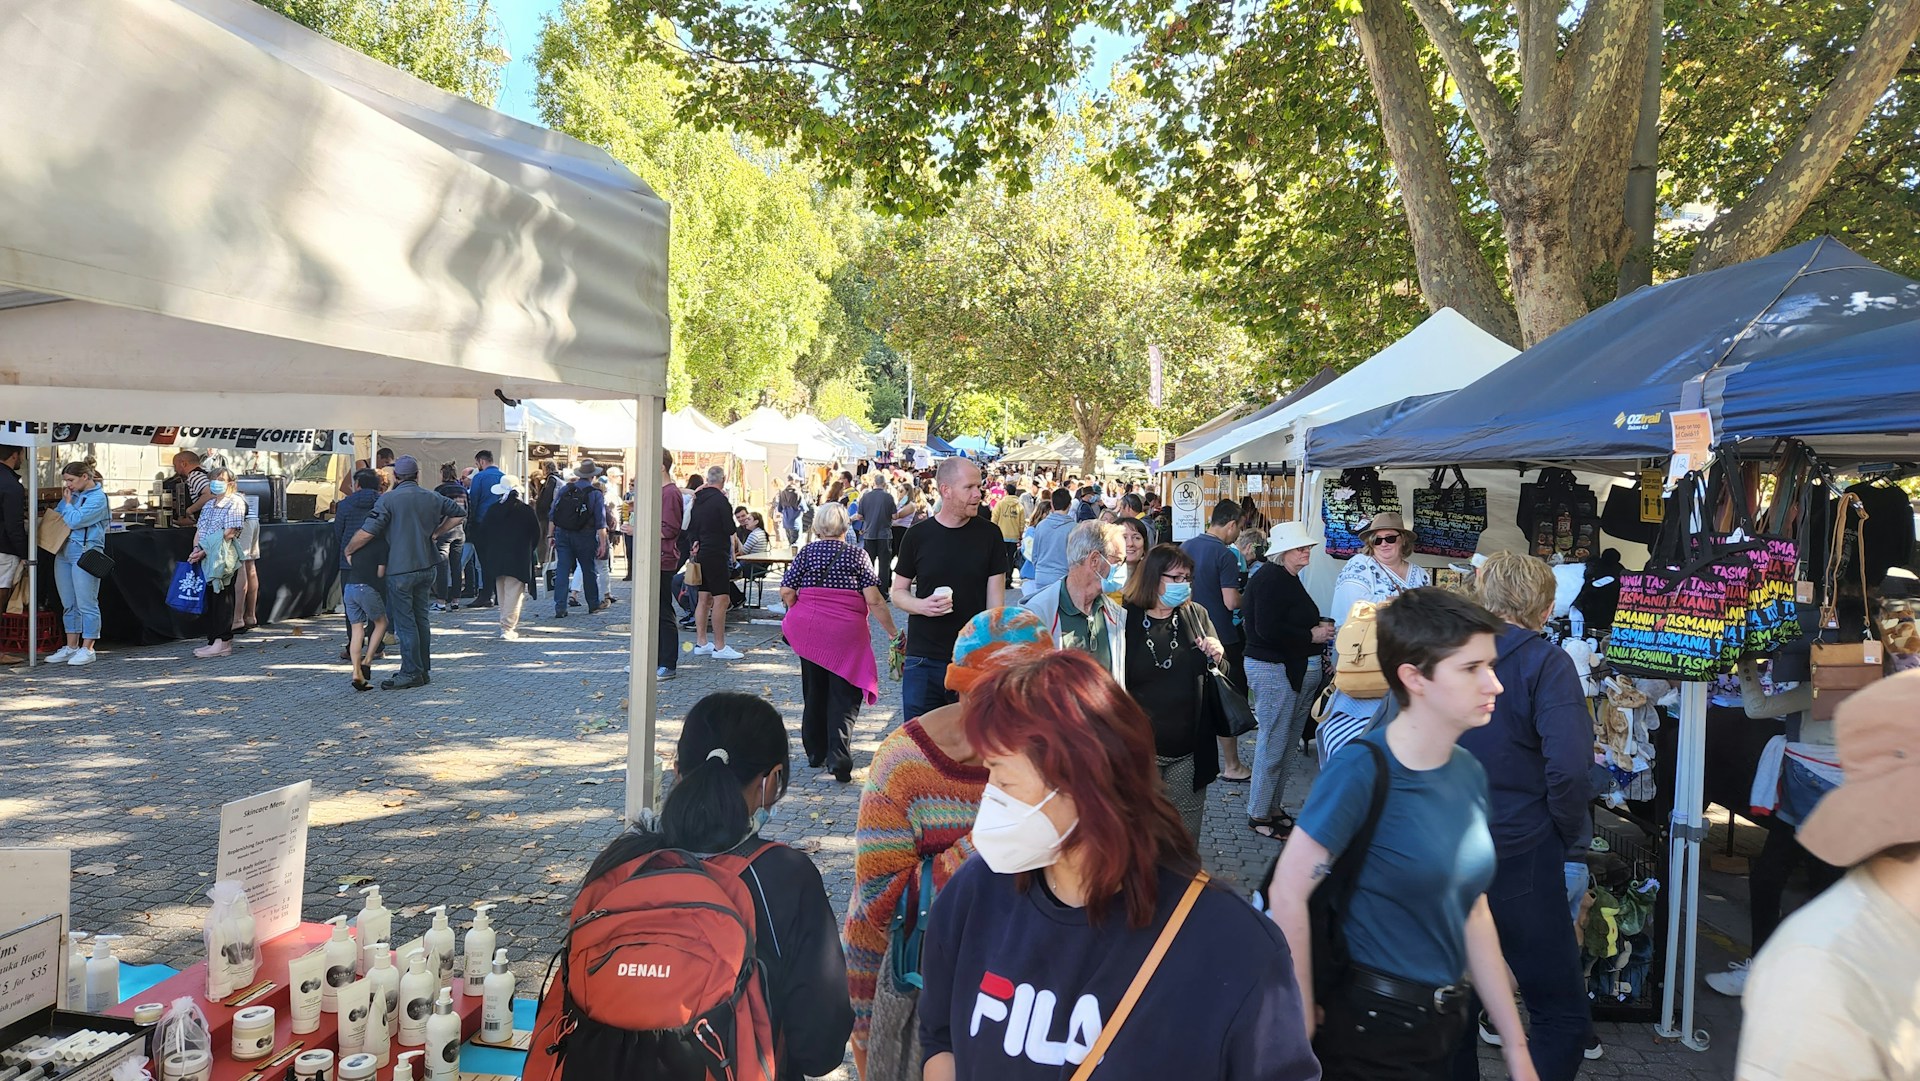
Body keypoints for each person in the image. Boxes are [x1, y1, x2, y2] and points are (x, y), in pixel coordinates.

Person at [918, 650, 1319, 1080]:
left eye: (1004, 778)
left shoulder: (1234, 948)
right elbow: (940, 1041)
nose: (988, 796)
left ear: (1085, 784)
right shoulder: (974, 894)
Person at [1266, 588, 1538, 1081]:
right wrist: (1300, 1013)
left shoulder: (1467, 772)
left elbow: (1471, 909)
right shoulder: (1362, 769)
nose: (1494, 684)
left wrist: (1517, 1049)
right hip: (1368, 1033)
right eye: (1471, 668)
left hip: (1442, 1030)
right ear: (1415, 678)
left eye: (1491, 666)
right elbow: (1288, 892)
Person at [570, 692, 854, 1078]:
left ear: (676, 771)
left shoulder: (619, 862)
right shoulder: (787, 876)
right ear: (771, 782)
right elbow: (820, 1049)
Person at [845, 608, 1054, 1081]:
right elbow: (883, 906)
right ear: (960, 690)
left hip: (1010, 991)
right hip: (905, 987)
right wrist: (989, 838)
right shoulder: (904, 765)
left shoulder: (1052, 759)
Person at [1452, 553, 1595, 1080]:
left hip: (1448, 849)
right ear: (1547, 606)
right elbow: (1571, 767)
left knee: (1455, 1003)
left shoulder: (1446, 654)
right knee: (1560, 1009)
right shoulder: (1546, 662)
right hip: (1519, 850)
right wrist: (1564, 831)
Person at [1737, 670, 1920, 1080]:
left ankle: (1764, 965)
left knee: (1777, 878)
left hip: (1804, 788)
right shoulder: (1879, 688)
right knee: (1825, 885)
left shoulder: (1821, 686)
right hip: (1842, 794)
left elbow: (1756, 708)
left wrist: (1746, 667)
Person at [779, 502, 900, 783]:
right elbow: (874, 599)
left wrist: (799, 606)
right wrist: (893, 632)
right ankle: (839, 758)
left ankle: (814, 752)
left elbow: (786, 589)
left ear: (818, 526)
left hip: (810, 631)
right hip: (846, 634)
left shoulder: (807, 552)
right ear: (847, 526)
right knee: (844, 696)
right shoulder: (857, 556)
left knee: (814, 689)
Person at [891, 457, 1009, 721]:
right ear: (946, 490)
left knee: (969, 748)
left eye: (979, 487)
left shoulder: (990, 535)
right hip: (924, 659)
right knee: (920, 746)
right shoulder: (917, 536)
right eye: (969, 487)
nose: (978, 494)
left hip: (971, 660)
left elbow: (996, 606)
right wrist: (922, 605)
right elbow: (897, 592)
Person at [1123, 544, 1227, 840]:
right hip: (1140, 752)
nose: (1184, 585)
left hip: (1189, 751)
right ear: (1154, 577)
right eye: (1177, 578)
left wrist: (1219, 656)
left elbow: (1222, 674)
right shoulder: (1124, 618)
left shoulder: (1196, 615)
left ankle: (1181, 888)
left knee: (1183, 838)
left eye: (1187, 578)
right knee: (1141, 838)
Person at [1242, 521, 1334, 839]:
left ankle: (1270, 807)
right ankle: (1258, 812)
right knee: (1274, 742)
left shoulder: (1283, 577)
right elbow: (1267, 630)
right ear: (1283, 551)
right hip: (1272, 668)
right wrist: (1312, 633)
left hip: (1284, 668)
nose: (1306, 551)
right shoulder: (1272, 578)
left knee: (1283, 743)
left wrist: (1313, 633)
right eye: (1300, 547)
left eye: (1307, 546)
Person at [344, 455, 465, 690]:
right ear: (417, 475)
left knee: (405, 622)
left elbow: (369, 531)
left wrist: (350, 548)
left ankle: (410, 672)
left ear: (395, 477)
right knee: (422, 619)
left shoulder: (389, 500)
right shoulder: (432, 496)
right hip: (427, 564)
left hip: (400, 568)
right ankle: (422, 669)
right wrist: (437, 532)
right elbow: (459, 513)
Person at [1320, 511, 1432, 763]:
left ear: (1403, 540)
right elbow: (1351, 614)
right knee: (1360, 737)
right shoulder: (1361, 566)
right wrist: (1398, 608)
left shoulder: (1421, 575)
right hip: (1369, 666)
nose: (1383, 545)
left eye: (1389, 538)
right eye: (1376, 540)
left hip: (1410, 665)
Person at [1183, 499, 1251, 783]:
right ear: (1232, 524)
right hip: (1221, 635)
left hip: (1190, 631)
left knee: (1196, 699)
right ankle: (1232, 764)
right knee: (1227, 698)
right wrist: (1252, 599)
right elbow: (1231, 600)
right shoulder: (1226, 555)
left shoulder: (1186, 546)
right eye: (1240, 527)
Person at [1021, 520, 1127, 687]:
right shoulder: (1037, 614)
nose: (1122, 568)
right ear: (1094, 560)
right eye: (1118, 561)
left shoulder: (1115, 614)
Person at [45, 460, 108, 667]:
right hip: (64, 551)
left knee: (86, 602)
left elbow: (73, 520)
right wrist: (69, 507)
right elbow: (61, 515)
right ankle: (71, 646)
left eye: (70, 480)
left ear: (85, 477)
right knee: (68, 602)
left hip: (85, 551)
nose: (68, 485)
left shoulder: (98, 498)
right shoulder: (73, 496)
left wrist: (69, 505)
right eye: (65, 481)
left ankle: (88, 647)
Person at [188, 467, 249, 660]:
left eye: (221, 479)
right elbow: (200, 529)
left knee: (223, 597)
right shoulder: (209, 505)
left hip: (223, 555)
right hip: (205, 555)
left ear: (231, 482)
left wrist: (205, 549)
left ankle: (223, 641)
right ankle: (213, 639)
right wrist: (196, 549)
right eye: (213, 479)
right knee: (212, 599)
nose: (216, 482)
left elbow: (230, 532)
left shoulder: (236, 502)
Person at [688, 465, 743, 660]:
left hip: (701, 550)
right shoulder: (721, 501)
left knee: (704, 597)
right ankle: (720, 646)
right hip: (716, 553)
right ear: (724, 479)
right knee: (722, 598)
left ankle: (701, 641)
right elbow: (729, 528)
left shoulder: (698, 499)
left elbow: (691, 526)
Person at [476, 474, 540, 640]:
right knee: (513, 592)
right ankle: (508, 626)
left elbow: (482, 533)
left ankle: (504, 622)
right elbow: (536, 534)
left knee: (502, 590)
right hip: (519, 557)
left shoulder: (493, 509)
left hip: (496, 557)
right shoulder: (525, 510)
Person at [332, 468, 385, 665]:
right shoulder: (383, 502)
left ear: (358, 484)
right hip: (377, 560)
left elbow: (338, 531)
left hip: (349, 560)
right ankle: (377, 646)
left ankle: (352, 645)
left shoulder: (345, 504)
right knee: (376, 603)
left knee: (352, 606)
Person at [340, 488, 389, 690]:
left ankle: (355, 672)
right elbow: (380, 573)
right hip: (366, 588)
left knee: (356, 629)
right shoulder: (382, 546)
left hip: (350, 587)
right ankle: (368, 660)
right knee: (381, 623)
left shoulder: (355, 544)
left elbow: (350, 559)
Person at [547, 461, 608, 622]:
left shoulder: (566, 489)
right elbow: (601, 523)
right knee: (588, 569)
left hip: (563, 534)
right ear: (593, 476)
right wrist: (603, 544)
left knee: (562, 569)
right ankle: (593, 603)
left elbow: (553, 514)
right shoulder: (595, 493)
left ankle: (560, 606)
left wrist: (550, 536)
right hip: (585, 536)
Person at [655, 450, 685, 679]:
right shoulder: (664, 492)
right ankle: (655, 661)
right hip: (656, 557)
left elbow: (670, 529)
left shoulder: (670, 493)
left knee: (663, 611)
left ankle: (667, 663)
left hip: (663, 559)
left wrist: (640, 529)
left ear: (662, 467)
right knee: (653, 611)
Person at [1020, 488, 1076, 601]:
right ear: (1069, 505)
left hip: (1041, 575)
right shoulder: (1074, 528)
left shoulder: (1041, 525)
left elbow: (1034, 554)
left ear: (1052, 505)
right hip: (1063, 576)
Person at [0, 443, 27, 664]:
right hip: (3, 549)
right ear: (14, 455)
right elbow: (13, 526)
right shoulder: (11, 486)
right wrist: (25, 552)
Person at [853, 471, 898, 594]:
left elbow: (860, 516)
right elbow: (894, 516)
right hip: (884, 534)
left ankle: (868, 590)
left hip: (869, 534)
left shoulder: (865, 496)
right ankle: (883, 592)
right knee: (884, 565)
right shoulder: (888, 497)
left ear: (874, 483)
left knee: (868, 564)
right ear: (884, 484)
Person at [431, 463, 469, 612]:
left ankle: (441, 601)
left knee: (442, 566)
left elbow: (436, 512)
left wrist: (436, 531)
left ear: (443, 474)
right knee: (456, 566)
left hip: (444, 530)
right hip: (460, 531)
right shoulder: (463, 490)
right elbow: (467, 510)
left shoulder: (440, 490)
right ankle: (455, 600)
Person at [230, 479, 262, 634]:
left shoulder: (230, 497)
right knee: (250, 565)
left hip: (242, 522)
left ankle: (237, 619)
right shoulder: (240, 496)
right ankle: (250, 616)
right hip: (253, 520)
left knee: (241, 564)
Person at [991, 482, 1026, 587]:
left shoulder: (1000, 504)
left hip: (1001, 536)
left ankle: (1000, 581)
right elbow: (1022, 523)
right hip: (1013, 537)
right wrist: (1020, 535)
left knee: (1000, 559)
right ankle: (1008, 579)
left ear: (1006, 492)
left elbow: (994, 519)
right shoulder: (1020, 506)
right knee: (1010, 559)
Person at [170, 450, 213, 526]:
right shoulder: (205, 473)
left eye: (175, 465)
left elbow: (209, 494)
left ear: (183, 464)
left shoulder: (195, 475)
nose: (175, 470)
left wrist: (190, 510)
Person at [1114, 517, 1152, 602]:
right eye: (1124, 537)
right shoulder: (1101, 580)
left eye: (1136, 538)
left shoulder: (1153, 579)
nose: (1130, 544)